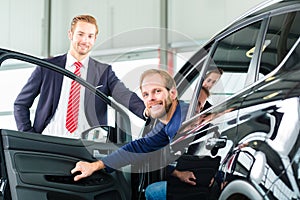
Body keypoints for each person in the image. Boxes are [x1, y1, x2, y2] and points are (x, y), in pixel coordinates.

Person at [14, 14, 146, 138]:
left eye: (90, 36)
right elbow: (21, 104)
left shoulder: (103, 72)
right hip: (50, 141)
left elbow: (124, 95)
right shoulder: (47, 67)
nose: (84, 40)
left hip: (88, 146)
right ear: (70, 34)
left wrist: (146, 111)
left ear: (94, 39)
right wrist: (29, 136)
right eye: (80, 34)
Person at [70, 69, 189, 182]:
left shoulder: (187, 116)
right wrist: (94, 166)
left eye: (157, 91)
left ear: (172, 93)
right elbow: (137, 148)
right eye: (146, 95)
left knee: (152, 192)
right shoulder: (164, 125)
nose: (151, 98)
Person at [145, 87, 210, 200]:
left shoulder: (201, 130)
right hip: (185, 178)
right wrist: (179, 174)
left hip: (194, 181)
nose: (198, 109)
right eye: (196, 103)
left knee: (152, 192)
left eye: (201, 106)